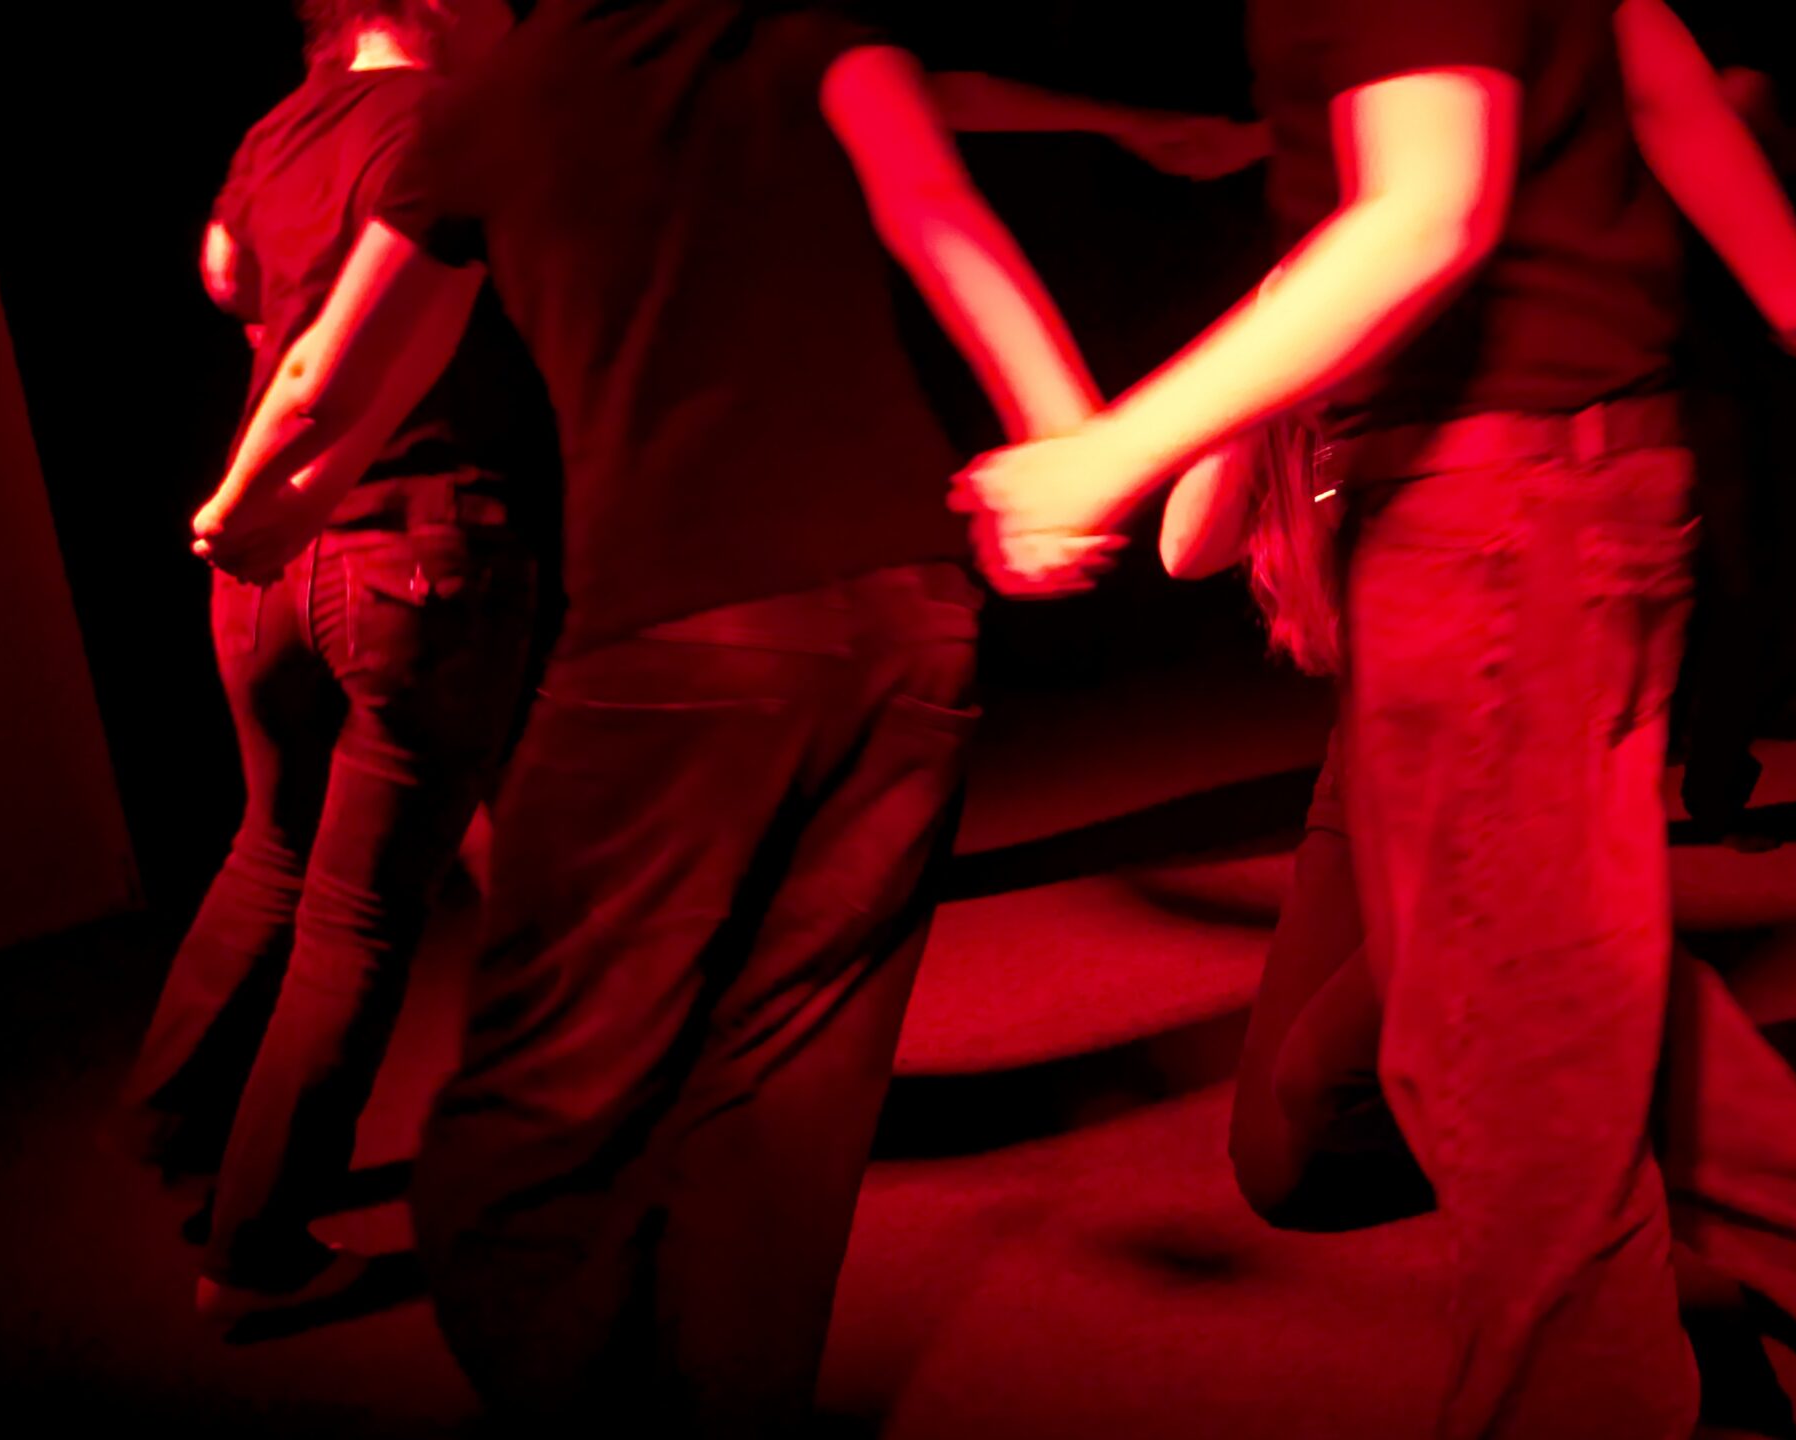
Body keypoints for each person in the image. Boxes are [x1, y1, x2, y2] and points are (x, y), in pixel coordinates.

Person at [961, 3, 1796, 1434]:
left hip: (1498, 510)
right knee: (1539, 1008)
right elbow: (1657, 73)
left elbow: (1425, 207)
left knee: (1510, 1066)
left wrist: (1109, 453)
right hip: (1548, 498)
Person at [191, 0, 1103, 1428]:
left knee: (515, 1142)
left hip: (682, 634)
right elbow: (947, 225)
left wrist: (248, 508)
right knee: (786, 1096)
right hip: (907, 620)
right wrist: (1072, 446)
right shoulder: (811, 41)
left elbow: (333, 365)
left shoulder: (489, 111)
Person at [116, 0, 548, 1324]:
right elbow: (321, 370)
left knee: (269, 852)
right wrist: (244, 498)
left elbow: (222, 275)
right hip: (412, 551)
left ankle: (170, 1124)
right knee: (359, 914)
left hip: (270, 581)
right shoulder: (451, 128)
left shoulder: (277, 128)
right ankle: (255, 1253)